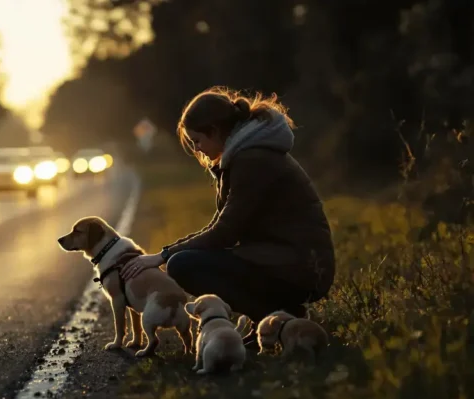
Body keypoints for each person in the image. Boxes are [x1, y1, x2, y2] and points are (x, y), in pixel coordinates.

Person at [120, 86, 335, 348]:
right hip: (283, 259)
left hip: (302, 266)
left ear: (215, 130)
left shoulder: (252, 160)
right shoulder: (242, 157)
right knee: (184, 260)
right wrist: (166, 253)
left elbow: (224, 233)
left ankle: (277, 319)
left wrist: (163, 256)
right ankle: (276, 313)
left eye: (197, 140)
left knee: (183, 265)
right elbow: (219, 226)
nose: (197, 149)